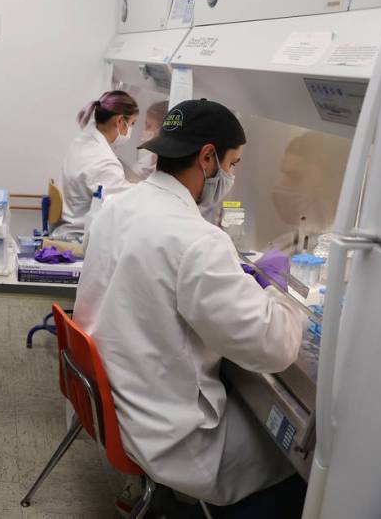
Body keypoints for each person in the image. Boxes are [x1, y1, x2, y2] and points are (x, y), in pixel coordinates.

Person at [73, 100, 307, 517]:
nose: (231, 176)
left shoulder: (118, 207)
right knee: (300, 459)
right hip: (171, 433)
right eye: (232, 164)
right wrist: (283, 297)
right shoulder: (196, 239)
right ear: (207, 158)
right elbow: (272, 347)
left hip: (118, 400)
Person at [60, 90, 140, 227]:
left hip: (71, 219)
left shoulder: (85, 138)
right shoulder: (102, 161)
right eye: (132, 123)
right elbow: (125, 204)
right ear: (120, 121)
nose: (131, 129)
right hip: (79, 234)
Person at [130, 100, 169, 180]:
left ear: (162, 130)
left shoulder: (169, 169)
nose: (145, 130)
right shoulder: (146, 160)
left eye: (149, 126)